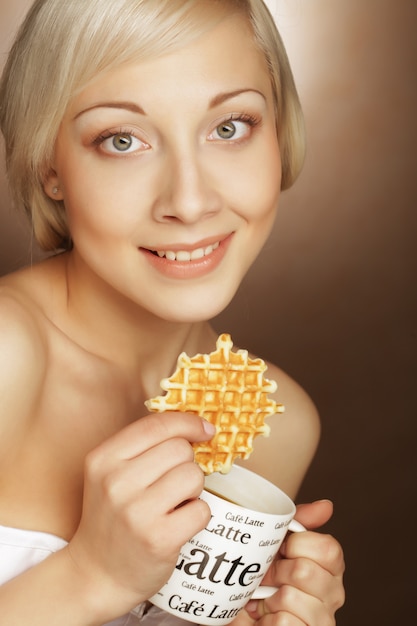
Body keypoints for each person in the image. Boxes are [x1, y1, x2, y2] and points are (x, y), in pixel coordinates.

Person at [0, 0, 345, 624]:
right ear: (50, 167)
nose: (189, 202)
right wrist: (90, 577)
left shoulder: (279, 423)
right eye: (122, 140)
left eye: (230, 126)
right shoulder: (6, 357)